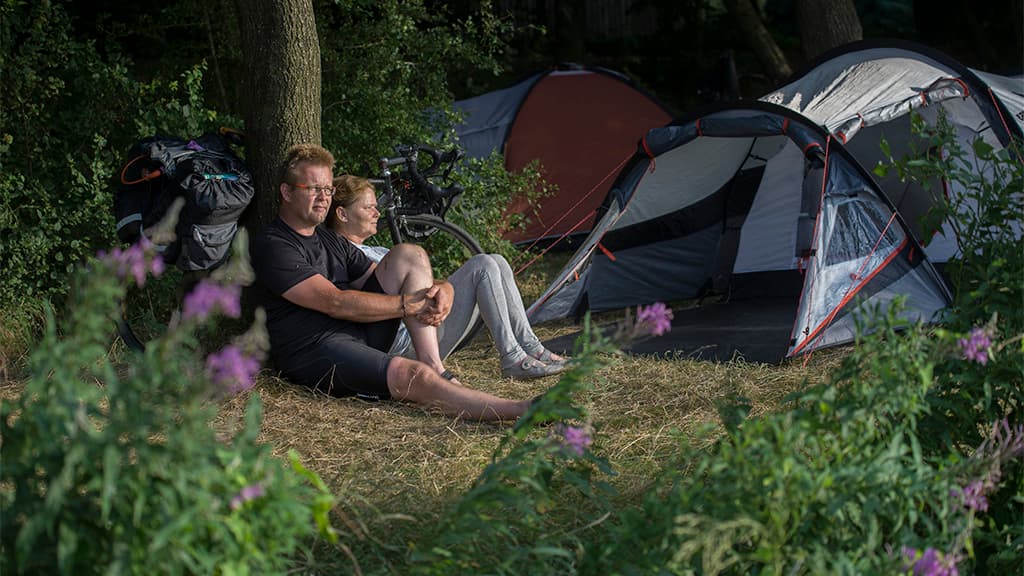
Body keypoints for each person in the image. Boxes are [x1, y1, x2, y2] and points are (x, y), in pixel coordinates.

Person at [250, 143, 533, 421]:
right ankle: (520, 410)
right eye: (313, 189)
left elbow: (393, 275)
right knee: (411, 377)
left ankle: (433, 363)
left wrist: (442, 288)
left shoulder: (328, 239)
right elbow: (335, 302)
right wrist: (409, 305)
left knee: (409, 255)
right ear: (286, 192)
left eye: (328, 189)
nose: (324, 197)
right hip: (315, 349)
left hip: (357, 334)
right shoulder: (273, 244)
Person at [326, 174, 568, 380]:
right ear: (342, 215)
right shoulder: (344, 255)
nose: (377, 212)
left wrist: (446, 289)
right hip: (403, 345)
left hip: (425, 327)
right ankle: (512, 358)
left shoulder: (377, 251)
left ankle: (532, 348)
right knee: (482, 265)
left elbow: (425, 284)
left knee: (498, 261)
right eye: (368, 207)